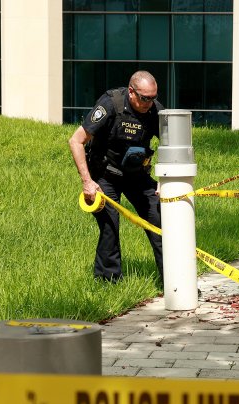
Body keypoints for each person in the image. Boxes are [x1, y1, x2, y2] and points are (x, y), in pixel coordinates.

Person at [68, 70, 164, 282]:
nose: (149, 103)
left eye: (153, 98)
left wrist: (166, 181)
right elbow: (76, 141)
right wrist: (87, 182)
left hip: (137, 175)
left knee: (160, 221)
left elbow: (171, 144)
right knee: (110, 226)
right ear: (131, 92)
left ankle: (174, 281)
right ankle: (108, 282)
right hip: (105, 175)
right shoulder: (111, 104)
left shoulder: (156, 111)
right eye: (144, 98)